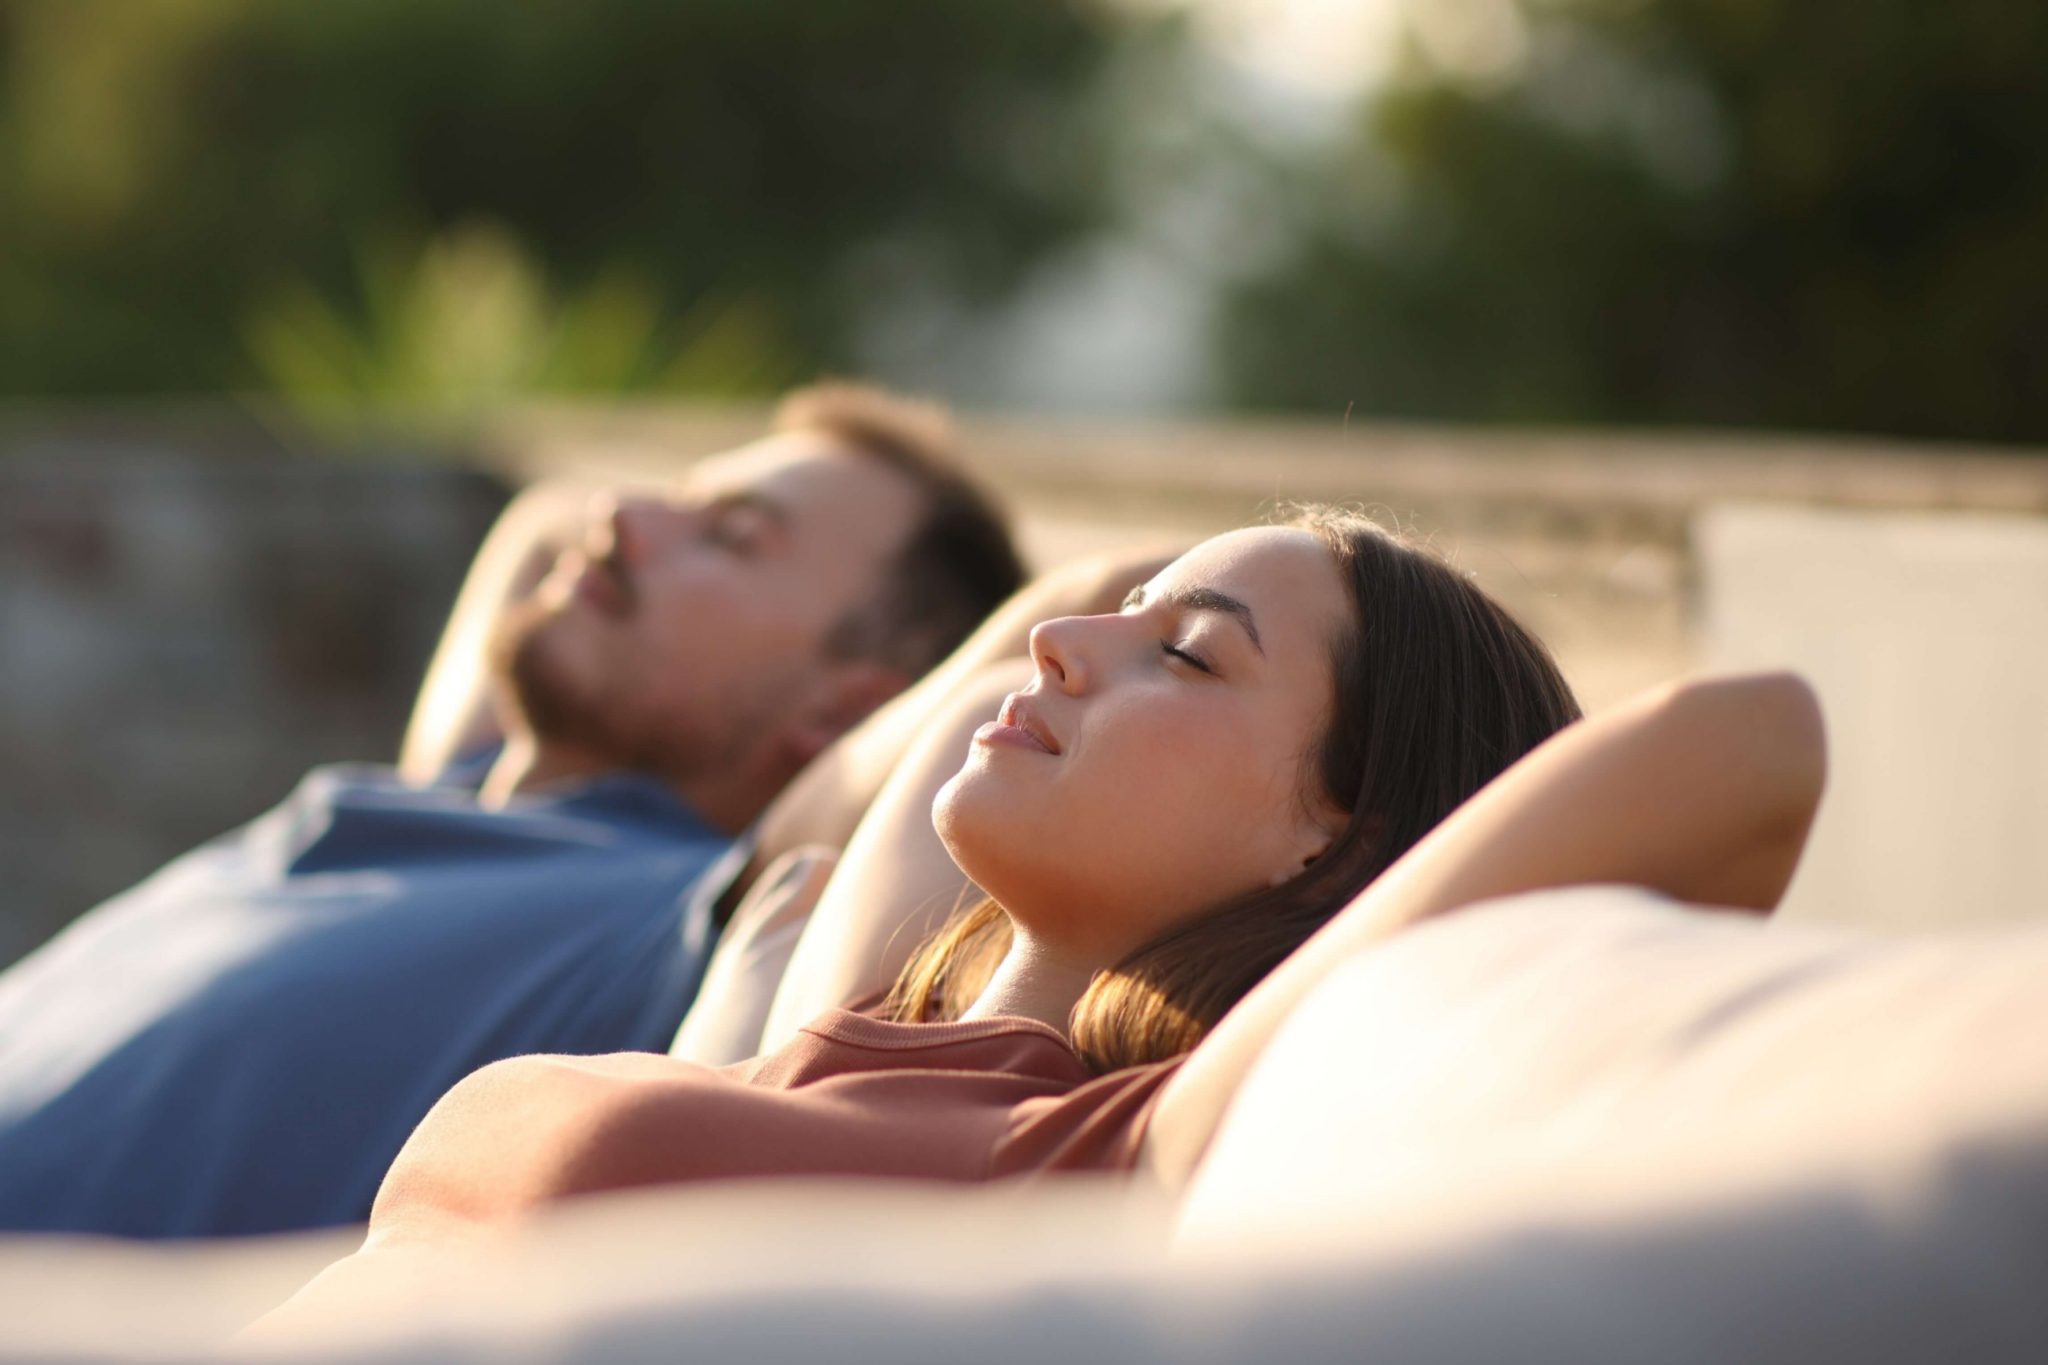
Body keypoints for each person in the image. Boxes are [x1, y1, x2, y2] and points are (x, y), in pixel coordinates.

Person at [287, 507, 1806, 1301]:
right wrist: (1175, 611)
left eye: (1190, 657)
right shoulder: (837, 1023)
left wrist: (1394, 913)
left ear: (1347, 850)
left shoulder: (1138, 1149)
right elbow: (1043, 614)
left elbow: (1750, 740)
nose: (1068, 647)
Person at [0, 383, 1031, 1239]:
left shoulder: (682, 909)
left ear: (849, 706)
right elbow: (543, 513)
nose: (620, 520)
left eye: (730, 537)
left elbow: (1022, 661)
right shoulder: (434, 798)